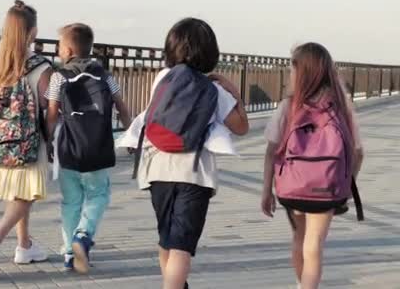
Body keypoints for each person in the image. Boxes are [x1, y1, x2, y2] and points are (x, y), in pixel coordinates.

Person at [135, 18, 249, 289]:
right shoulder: (215, 89)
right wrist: (234, 92)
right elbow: (241, 127)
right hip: (194, 175)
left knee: (167, 240)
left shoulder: (163, 77)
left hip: (156, 169)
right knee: (181, 247)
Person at [262, 43, 364, 289]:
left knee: (299, 238)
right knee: (314, 243)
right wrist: (347, 185)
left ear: (301, 73)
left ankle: (301, 283)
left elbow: (271, 150)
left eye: (291, 70)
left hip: (293, 186)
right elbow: (358, 152)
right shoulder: (340, 106)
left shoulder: (289, 106)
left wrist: (266, 190)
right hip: (327, 187)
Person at [45, 23, 131, 274]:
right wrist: (131, 135)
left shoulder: (58, 77)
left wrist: (48, 140)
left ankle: (70, 253)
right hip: (98, 149)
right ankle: (83, 235)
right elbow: (122, 108)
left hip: (69, 150)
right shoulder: (105, 76)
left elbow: (52, 113)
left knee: (71, 201)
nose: (58, 51)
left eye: (60, 46)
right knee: (98, 195)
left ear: (69, 49)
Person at [0, 0, 53, 279]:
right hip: (31, 140)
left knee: (18, 191)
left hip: (3, 142)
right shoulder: (41, 66)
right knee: (27, 194)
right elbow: (49, 104)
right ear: (32, 32)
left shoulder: (1, 66)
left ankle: (24, 246)